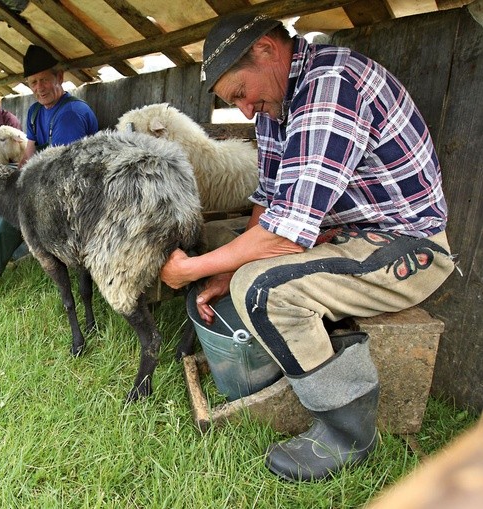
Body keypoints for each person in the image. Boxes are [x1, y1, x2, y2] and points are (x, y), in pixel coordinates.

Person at [161, 14, 455, 481]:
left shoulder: (331, 86)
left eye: (239, 93)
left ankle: (347, 433)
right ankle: (315, 369)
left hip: (406, 246)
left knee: (264, 291)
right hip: (345, 234)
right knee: (238, 263)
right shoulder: (281, 102)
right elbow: (270, 202)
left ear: (265, 50)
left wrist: (189, 269)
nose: (244, 111)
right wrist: (220, 272)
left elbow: (284, 233)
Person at [0, 45, 99, 308]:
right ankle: (11, 250)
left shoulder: (71, 113)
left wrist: (17, 191)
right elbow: (28, 157)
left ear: (59, 77)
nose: (39, 88)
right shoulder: (36, 111)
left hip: (78, 193)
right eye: (33, 82)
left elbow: (62, 172)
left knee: (16, 207)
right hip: (45, 181)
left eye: (45, 80)